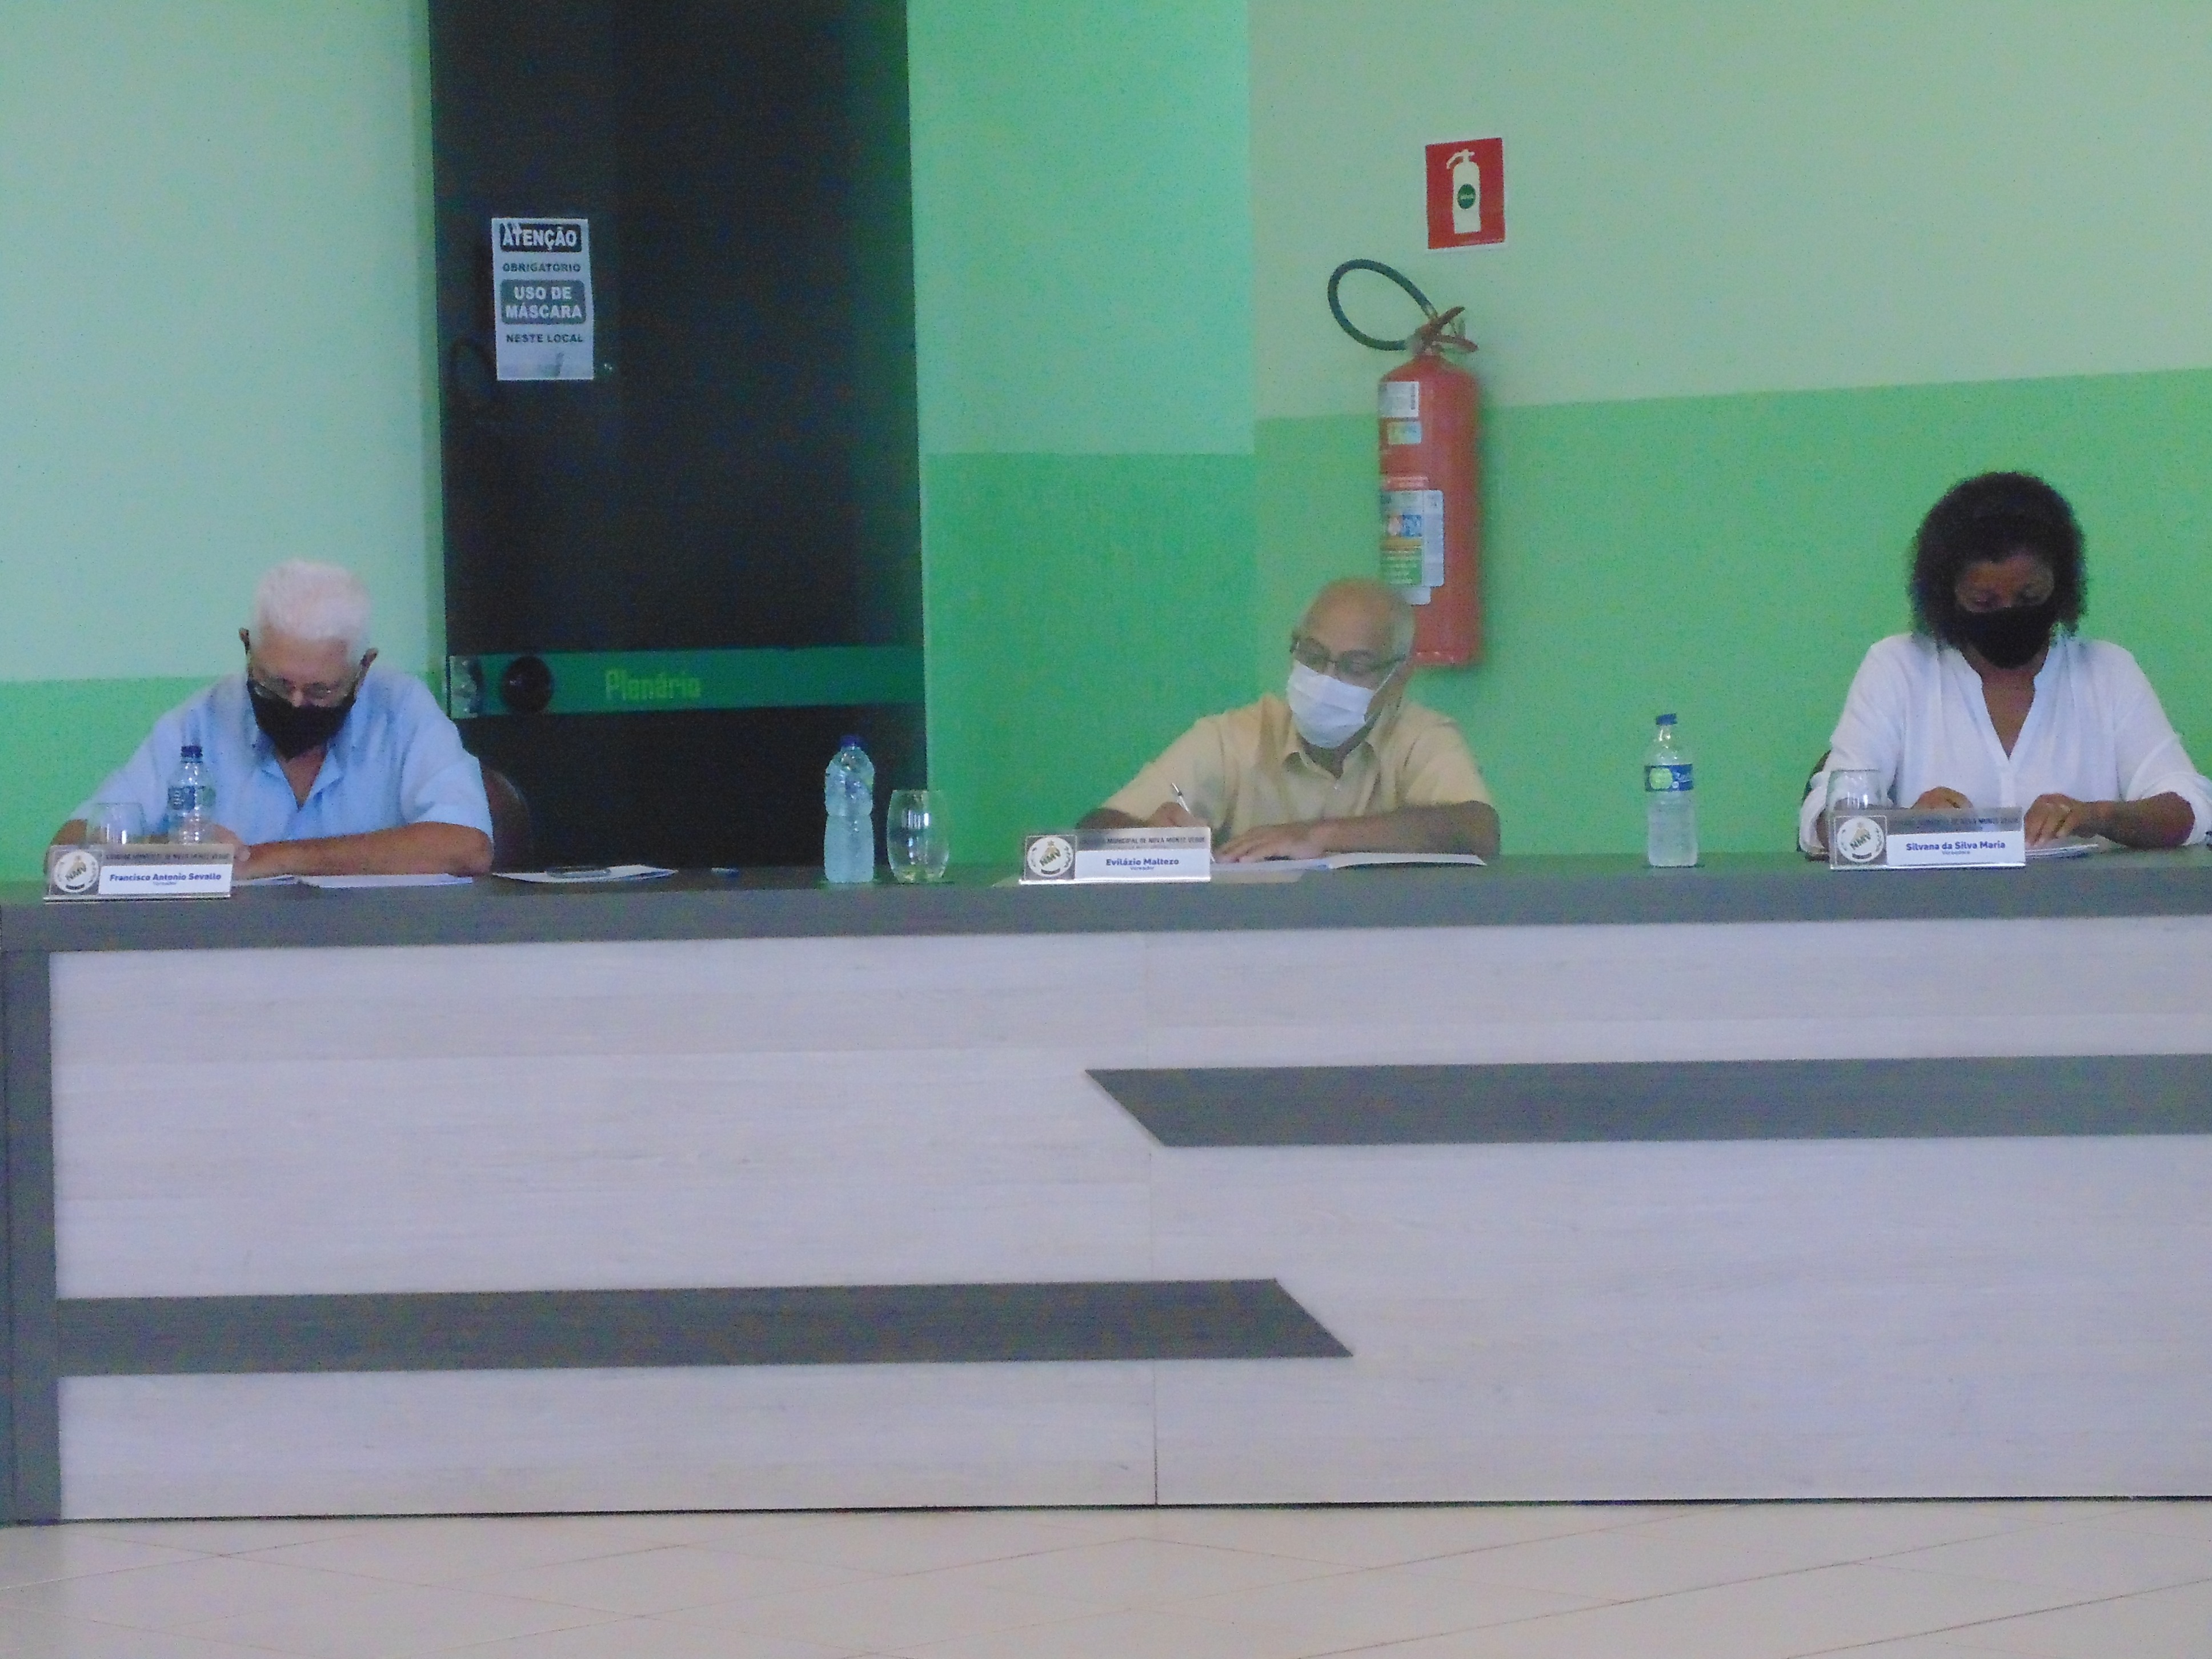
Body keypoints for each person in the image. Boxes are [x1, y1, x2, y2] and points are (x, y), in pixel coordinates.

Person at [1800, 472, 2210, 853]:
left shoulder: (2108, 672)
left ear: (2061, 585)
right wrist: (1908, 824)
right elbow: (1823, 819)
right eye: (1983, 601)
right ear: (1945, 595)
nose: (2009, 613)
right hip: (1929, 908)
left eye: (2030, 597)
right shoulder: (1898, 668)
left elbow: (2192, 809)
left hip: (2081, 908)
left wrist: (2097, 816)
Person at [55, 561, 494, 876]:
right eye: (276, 685)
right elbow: (69, 850)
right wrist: (170, 850)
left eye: (321, 691)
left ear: (364, 668)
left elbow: (467, 845)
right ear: (248, 647)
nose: (296, 705)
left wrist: (276, 857)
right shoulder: (201, 722)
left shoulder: (402, 712)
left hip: (375, 957)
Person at [1080, 577, 1500, 861]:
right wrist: (1148, 834)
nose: (1327, 678)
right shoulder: (1232, 738)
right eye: (1313, 656)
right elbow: (1095, 831)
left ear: (1399, 678)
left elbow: (1476, 830)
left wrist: (1317, 836)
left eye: (1355, 666)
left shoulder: (1421, 738)